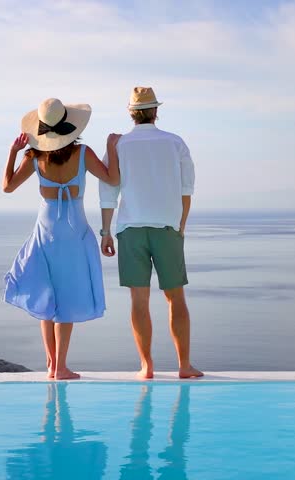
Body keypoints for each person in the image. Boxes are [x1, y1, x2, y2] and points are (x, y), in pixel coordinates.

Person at [2, 98, 120, 380]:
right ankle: (61, 366)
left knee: (47, 297)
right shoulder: (82, 154)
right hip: (74, 234)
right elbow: (113, 179)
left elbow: (7, 187)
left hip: (46, 233)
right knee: (66, 300)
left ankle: (51, 364)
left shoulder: (34, 158)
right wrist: (112, 150)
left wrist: (13, 152)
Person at [100, 87, 204, 379]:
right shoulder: (175, 143)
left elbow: (109, 191)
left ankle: (146, 366)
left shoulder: (119, 145)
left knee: (139, 300)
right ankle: (184, 365)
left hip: (130, 230)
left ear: (131, 113)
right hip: (167, 228)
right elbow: (187, 189)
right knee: (176, 298)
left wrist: (106, 231)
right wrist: (181, 226)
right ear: (156, 111)